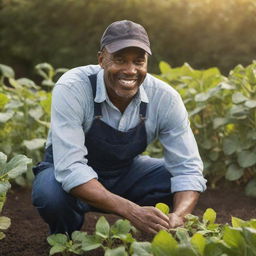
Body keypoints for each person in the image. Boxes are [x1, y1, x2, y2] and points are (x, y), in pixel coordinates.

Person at [32, 20, 207, 236]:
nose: (130, 70)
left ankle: (159, 229)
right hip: (66, 172)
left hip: (124, 171)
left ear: (146, 64)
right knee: (50, 194)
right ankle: (67, 240)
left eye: (138, 61)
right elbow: (70, 168)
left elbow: (187, 167)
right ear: (101, 60)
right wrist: (131, 210)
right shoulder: (73, 87)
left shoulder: (165, 98)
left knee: (175, 181)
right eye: (120, 60)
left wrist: (179, 216)